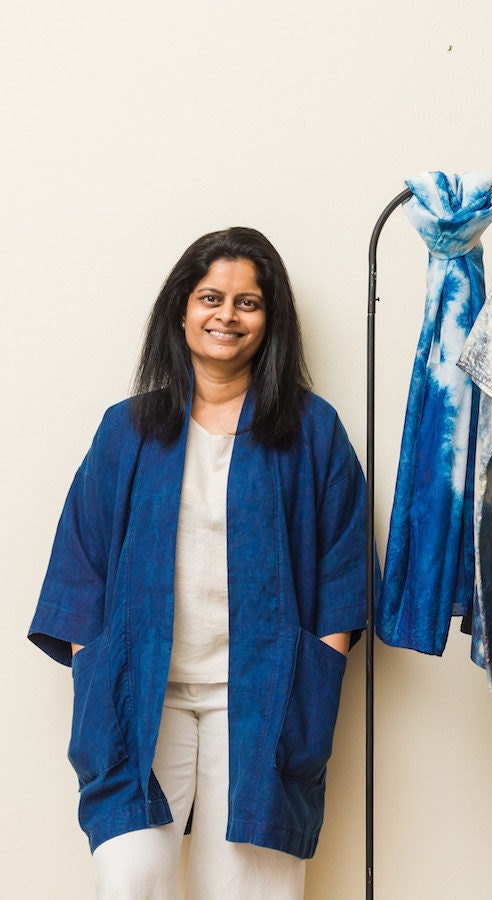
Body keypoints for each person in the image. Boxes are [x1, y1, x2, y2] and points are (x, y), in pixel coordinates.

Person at [28, 227, 369, 899]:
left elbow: (343, 570)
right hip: (141, 699)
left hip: (266, 702)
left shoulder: (312, 431)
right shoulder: (127, 429)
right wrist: (102, 663)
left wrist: (315, 669)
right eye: (212, 297)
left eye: (249, 303)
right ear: (182, 307)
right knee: (130, 884)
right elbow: (81, 561)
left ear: (271, 321)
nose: (227, 316)